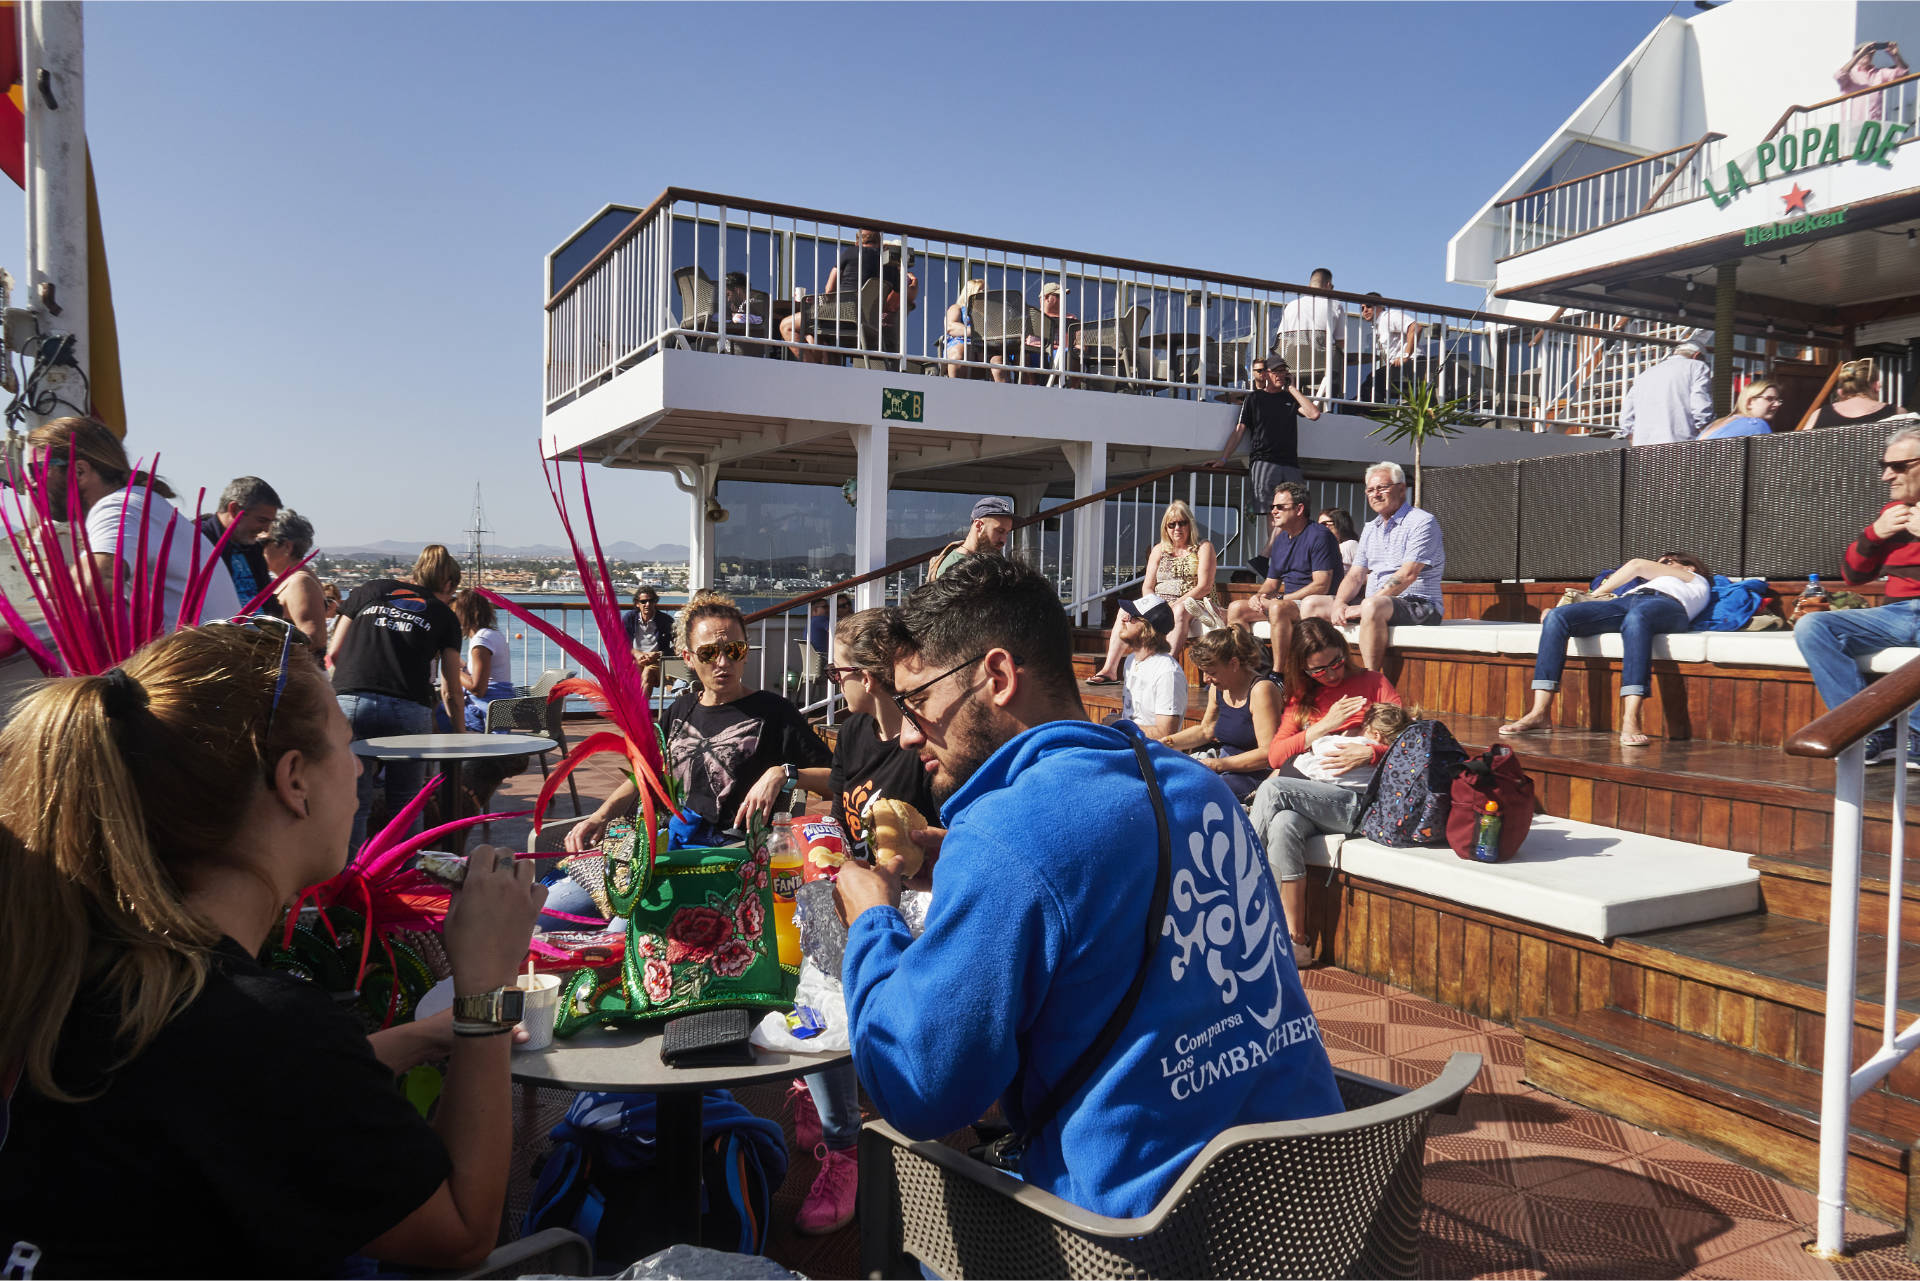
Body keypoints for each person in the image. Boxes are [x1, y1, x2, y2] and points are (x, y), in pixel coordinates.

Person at [0, 622, 546, 1276]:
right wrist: (484, 987)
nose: (360, 770)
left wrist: (413, 1039)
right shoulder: (263, 1027)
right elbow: (459, 1232)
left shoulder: (87, 966)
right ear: (295, 780)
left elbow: (229, 1092)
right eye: (347, 747)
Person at [833, 555, 1342, 1219]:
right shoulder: (1199, 789)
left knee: (903, 1209)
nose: (904, 733)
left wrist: (874, 921)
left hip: (1144, 1243)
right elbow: (1100, 880)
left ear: (996, 676)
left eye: (918, 702)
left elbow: (917, 1089)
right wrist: (969, 860)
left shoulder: (1006, 835)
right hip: (1315, 1212)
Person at [786, 607, 939, 1236]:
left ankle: (843, 1145)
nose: (831, 684)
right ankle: (824, 1095)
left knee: (829, 977)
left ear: (871, 677)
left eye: (837, 672)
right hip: (856, 884)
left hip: (915, 897)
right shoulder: (851, 732)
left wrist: (905, 858)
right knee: (804, 945)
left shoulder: (923, 748)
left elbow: (941, 845)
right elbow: (840, 813)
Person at [565, 590, 831, 851]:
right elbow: (645, 774)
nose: (723, 662)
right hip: (665, 848)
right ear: (688, 658)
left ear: (746, 653)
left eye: (734, 650)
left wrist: (781, 773)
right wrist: (600, 815)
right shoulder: (681, 709)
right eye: (708, 653)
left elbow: (836, 779)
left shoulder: (774, 712)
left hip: (731, 858)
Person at [1249, 617, 1405, 964]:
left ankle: (1239, 885)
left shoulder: (1373, 682)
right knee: (1283, 824)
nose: (1332, 674)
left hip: (1357, 801)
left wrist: (1372, 750)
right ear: (1303, 668)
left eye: (1336, 662)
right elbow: (1275, 754)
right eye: (1319, 669)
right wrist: (1325, 726)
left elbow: (1407, 739)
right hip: (1314, 797)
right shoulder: (1304, 699)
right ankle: (1295, 941)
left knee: (1274, 793)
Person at [26, 416, 241, 630]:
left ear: (79, 471)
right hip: (212, 653)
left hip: (204, 660)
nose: (31, 484)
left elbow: (90, 586)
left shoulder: (119, 506)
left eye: (37, 470)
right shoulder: (141, 501)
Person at [1795, 424, 1920, 768]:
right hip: (1893, 615)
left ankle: (1917, 735)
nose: (1886, 476)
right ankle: (1871, 731)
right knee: (1813, 627)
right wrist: (1873, 536)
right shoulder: (1892, 514)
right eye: (1884, 466)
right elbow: (1854, 577)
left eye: (1897, 466)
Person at [328, 545, 465, 851]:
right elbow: (451, 689)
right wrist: (460, 734)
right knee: (405, 806)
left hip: (351, 701)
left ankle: (347, 885)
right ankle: (402, 884)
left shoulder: (369, 590)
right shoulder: (444, 615)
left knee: (355, 802)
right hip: (408, 707)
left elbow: (334, 652)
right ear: (447, 585)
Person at [1501, 552, 1712, 747]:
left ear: (1689, 567)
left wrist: (1593, 596)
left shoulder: (1696, 581)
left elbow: (1636, 565)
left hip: (1670, 606)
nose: (1659, 565)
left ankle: (1631, 717)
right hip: (1627, 602)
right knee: (1557, 617)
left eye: (1667, 561)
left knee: (1637, 619)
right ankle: (1540, 713)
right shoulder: (1641, 585)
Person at [1302, 461, 1445, 671]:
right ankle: (1320, 671)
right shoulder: (1371, 528)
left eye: (1381, 488)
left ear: (1402, 489)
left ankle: (1372, 681)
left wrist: (1363, 606)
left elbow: (1408, 574)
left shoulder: (1422, 522)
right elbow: (1355, 576)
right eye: (1370, 489)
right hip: (1377, 604)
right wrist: (1341, 603)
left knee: (1371, 606)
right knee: (1311, 604)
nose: (1375, 494)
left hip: (1420, 604)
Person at [1088, 500, 1218, 682]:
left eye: (1182, 523)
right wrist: (1155, 607)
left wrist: (1173, 605)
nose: (1177, 528)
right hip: (1161, 603)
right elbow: (1147, 586)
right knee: (1124, 611)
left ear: (1190, 524)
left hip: (1194, 602)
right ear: (1166, 528)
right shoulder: (1159, 550)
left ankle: (1163, 667)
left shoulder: (1203, 547)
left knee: (1179, 610)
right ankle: (1109, 669)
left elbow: (1204, 586)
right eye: (1172, 524)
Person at [1227, 482, 1342, 671]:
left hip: (1315, 604)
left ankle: (1279, 674)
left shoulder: (1319, 535)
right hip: (1288, 603)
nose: (1273, 511)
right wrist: (1259, 596)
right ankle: (1251, 668)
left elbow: (1321, 585)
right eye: (1272, 507)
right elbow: (1272, 581)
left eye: (1280, 507)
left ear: (1299, 509)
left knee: (1278, 609)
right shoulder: (1280, 540)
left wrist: (1279, 599)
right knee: (1236, 608)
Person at [1161, 626, 1284, 801]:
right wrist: (1166, 743)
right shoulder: (1218, 687)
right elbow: (1205, 730)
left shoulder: (1261, 690)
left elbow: (1268, 754)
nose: (1205, 679)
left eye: (1211, 673)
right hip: (1225, 766)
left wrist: (1219, 764)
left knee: (1192, 791)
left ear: (1233, 664)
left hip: (1255, 774)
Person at [780, 228, 918, 364]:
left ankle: (811, 370)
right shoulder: (890, 265)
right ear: (880, 241)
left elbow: (829, 290)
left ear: (857, 242)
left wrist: (824, 304)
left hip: (842, 317)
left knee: (786, 325)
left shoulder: (851, 252)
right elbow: (896, 301)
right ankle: (825, 373)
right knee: (814, 336)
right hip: (870, 327)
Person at [1215, 355, 1322, 510]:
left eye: (1283, 371)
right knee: (1273, 513)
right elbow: (1239, 430)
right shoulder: (1254, 398)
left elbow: (1314, 414)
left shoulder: (1289, 398)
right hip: (1264, 462)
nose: (1280, 375)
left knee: (1296, 512)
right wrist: (1223, 459)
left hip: (1290, 463)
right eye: (1276, 371)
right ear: (1267, 374)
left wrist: (1292, 388)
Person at [197, 476, 282, 612]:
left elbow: (267, 601)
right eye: (262, 520)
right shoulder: (197, 542)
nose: (266, 529)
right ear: (234, 509)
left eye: (270, 522)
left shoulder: (253, 549)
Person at [1111, 593, 1188, 741]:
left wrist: (1119, 725)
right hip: (1131, 747)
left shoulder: (1168, 672)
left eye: (1131, 617)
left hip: (1152, 757)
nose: (1124, 619)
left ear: (1147, 628)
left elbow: (1165, 733)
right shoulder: (1131, 661)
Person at [1296, 702, 1412, 790]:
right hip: (1320, 787)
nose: (1358, 731)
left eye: (1362, 728)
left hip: (1305, 776)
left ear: (1376, 735)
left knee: (1277, 787)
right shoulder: (1391, 763)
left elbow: (1318, 745)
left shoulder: (1361, 745)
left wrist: (1345, 732)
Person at [263, 509, 326, 664]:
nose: (256, 548)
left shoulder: (300, 583)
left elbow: (312, 640)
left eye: (263, 543)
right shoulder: (291, 580)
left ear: (286, 547)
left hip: (298, 679)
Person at [449, 589, 516, 733]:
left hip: (486, 709)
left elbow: (478, 689)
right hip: (499, 707)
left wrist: (452, 668)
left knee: (438, 716)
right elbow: (484, 673)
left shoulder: (481, 641)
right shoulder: (491, 635)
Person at [1622, 341, 1712, 445]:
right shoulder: (1697, 366)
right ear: (1696, 356)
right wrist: (1707, 434)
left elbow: (1626, 419)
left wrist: (1637, 443)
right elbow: (1701, 407)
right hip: (1679, 444)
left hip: (1643, 449)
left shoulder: (1645, 374)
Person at [1274, 269, 1345, 398]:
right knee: (1337, 363)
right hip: (1321, 367)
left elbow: (1282, 340)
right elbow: (1340, 343)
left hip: (1291, 366)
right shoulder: (1335, 305)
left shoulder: (1291, 305)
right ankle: (1331, 404)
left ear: (1309, 286)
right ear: (1328, 285)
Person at [1812, 358, 1915, 430]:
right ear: (1876, 386)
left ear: (1841, 392)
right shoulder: (1898, 414)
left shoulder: (1818, 415)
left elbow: (1799, 450)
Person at [928, 495, 1015, 579]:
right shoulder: (953, 568)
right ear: (979, 526)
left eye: (1007, 533)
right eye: (1000, 531)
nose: (1003, 540)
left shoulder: (993, 560)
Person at [1359, 293, 1422, 402]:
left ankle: (1376, 415)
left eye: (1369, 306)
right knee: (1371, 382)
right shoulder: (1377, 326)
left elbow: (1415, 327)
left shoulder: (1388, 316)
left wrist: (1405, 355)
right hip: (1399, 366)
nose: (1365, 310)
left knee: (1372, 382)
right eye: (1362, 308)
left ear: (1381, 306)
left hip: (1413, 363)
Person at [1837, 41, 1910, 121]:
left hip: (1876, 125)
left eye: (1871, 51)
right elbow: (1839, 76)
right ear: (1856, 54)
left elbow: (1903, 74)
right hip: (1853, 123)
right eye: (1866, 51)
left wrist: (1895, 55)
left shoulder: (1880, 73)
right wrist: (1860, 54)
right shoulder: (1850, 74)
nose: (1869, 53)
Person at [620, 586, 674, 691]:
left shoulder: (665, 620)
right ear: (637, 603)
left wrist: (658, 654)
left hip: (658, 661)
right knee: (629, 673)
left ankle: (640, 707)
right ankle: (630, 706)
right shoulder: (629, 618)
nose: (647, 604)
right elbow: (621, 642)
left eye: (651, 601)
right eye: (644, 601)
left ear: (655, 602)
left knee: (647, 674)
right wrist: (637, 654)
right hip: (636, 660)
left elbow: (677, 646)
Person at [1699, 378, 1782, 439]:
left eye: (1778, 400)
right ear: (1750, 402)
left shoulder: (1717, 423)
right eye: (1769, 399)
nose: (1777, 404)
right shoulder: (1757, 425)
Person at [942, 277, 986, 379]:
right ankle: (956, 387)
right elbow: (950, 327)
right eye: (982, 291)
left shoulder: (990, 314)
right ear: (971, 292)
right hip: (962, 342)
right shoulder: (957, 308)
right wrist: (976, 332)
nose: (985, 294)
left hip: (985, 346)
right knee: (962, 349)